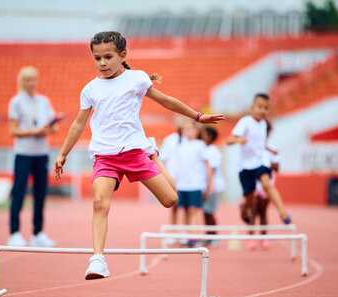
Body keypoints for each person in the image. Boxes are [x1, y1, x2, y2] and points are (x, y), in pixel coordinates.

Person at [53, 31, 224, 280]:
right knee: (100, 203)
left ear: (122, 55)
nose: (102, 63)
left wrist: (198, 116)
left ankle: (154, 156)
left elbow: (166, 101)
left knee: (170, 199)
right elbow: (78, 124)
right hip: (105, 155)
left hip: (135, 152)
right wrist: (62, 153)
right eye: (97, 58)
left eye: (108, 57)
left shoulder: (137, 79)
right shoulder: (90, 89)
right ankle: (97, 259)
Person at [7, 66, 58, 247]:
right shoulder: (16, 102)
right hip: (23, 153)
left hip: (41, 153)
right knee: (19, 192)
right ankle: (14, 233)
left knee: (40, 193)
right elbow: (13, 130)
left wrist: (51, 127)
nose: (31, 83)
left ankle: (38, 233)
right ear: (22, 81)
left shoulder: (44, 101)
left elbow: (53, 126)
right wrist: (34, 131)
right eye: (28, 80)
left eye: (34, 79)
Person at [226, 93, 291, 228]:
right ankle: (243, 211)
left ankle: (283, 213)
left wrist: (268, 149)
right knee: (249, 199)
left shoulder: (263, 125)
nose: (262, 111)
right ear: (252, 107)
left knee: (267, 185)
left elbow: (259, 144)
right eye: (259, 107)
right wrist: (239, 139)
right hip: (245, 166)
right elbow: (229, 140)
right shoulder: (245, 122)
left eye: (266, 108)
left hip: (260, 162)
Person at [175, 119, 213, 247]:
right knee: (185, 210)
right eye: (185, 129)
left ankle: (194, 236)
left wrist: (210, 183)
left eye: (190, 129)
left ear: (197, 131)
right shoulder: (181, 146)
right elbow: (179, 167)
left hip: (196, 184)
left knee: (193, 210)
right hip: (183, 184)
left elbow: (207, 165)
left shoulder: (200, 145)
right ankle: (187, 235)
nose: (188, 132)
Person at [247, 122, 280, 250]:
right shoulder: (251, 147)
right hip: (253, 183)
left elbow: (277, 167)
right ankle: (251, 238)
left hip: (266, 185)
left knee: (263, 212)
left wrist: (267, 154)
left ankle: (263, 238)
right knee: (253, 211)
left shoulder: (272, 149)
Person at [159, 115, 187, 244]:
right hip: (173, 178)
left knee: (188, 207)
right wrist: (165, 176)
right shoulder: (169, 140)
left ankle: (186, 233)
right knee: (174, 206)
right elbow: (163, 159)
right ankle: (174, 233)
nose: (181, 124)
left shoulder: (190, 139)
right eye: (179, 122)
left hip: (188, 179)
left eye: (184, 121)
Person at [201, 127, 225, 246]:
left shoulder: (212, 151)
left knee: (209, 211)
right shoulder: (206, 149)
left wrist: (210, 185)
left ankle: (214, 237)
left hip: (213, 185)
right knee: (206, 212)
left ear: (209, 136)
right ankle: (209, 236)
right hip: (208, 185)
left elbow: (212, 169)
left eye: (204, 133)